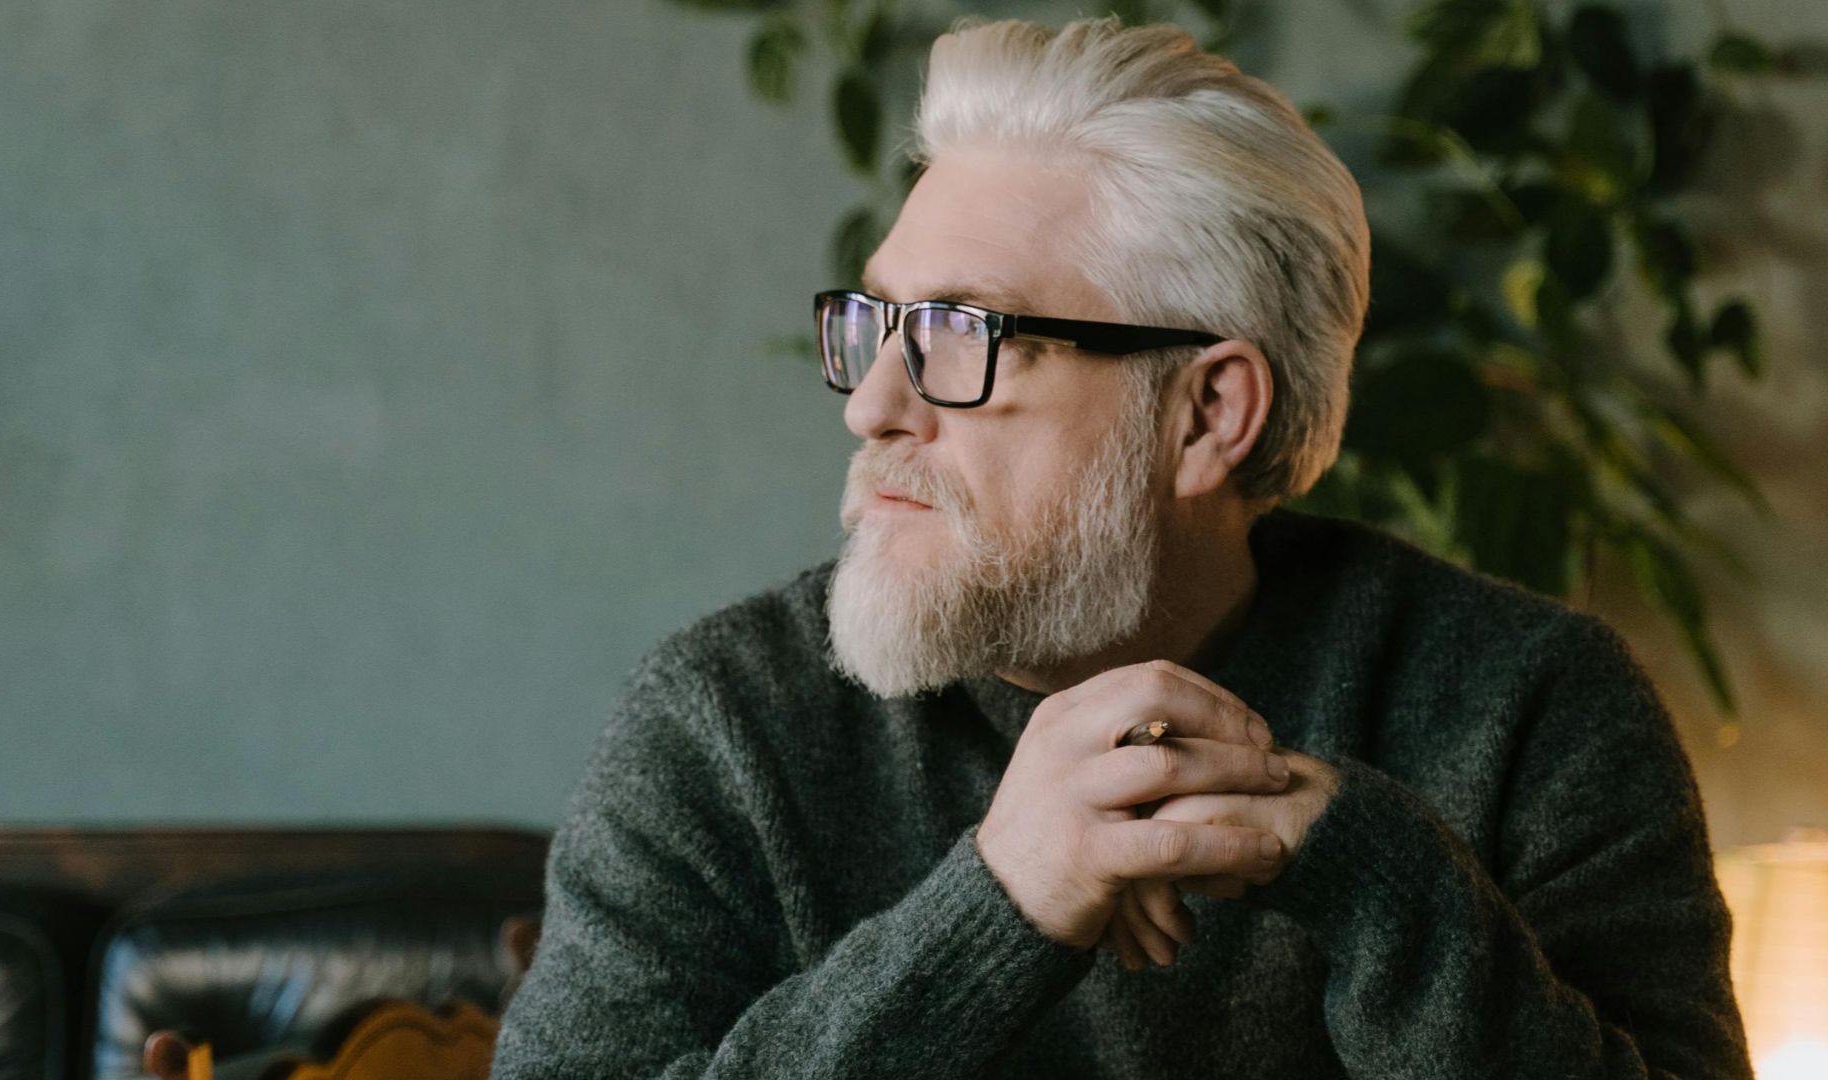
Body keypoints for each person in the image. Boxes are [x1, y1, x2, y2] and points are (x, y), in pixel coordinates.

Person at [492, 16, 1751, 1079]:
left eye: (961, 336)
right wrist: (996, 908)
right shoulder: (725, 722)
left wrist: (1375, 885)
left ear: (1210, 412)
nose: (871, 403)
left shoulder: (1532, 707)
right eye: (879, 323)